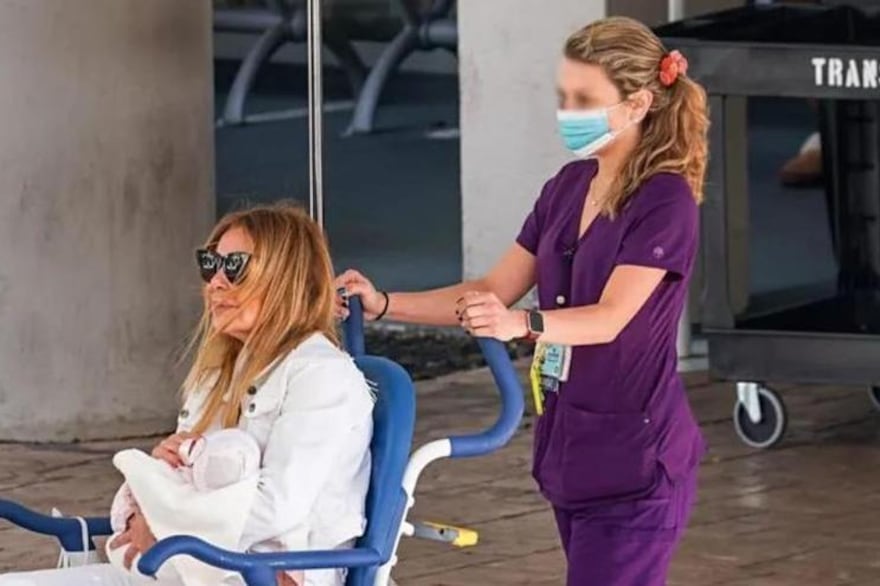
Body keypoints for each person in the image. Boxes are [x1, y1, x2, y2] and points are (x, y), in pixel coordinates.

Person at [336, 16, 708, 586]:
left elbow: (610, 318)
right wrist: (385, 303)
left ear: (636, 105)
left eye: (585, 99)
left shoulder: (666, 201)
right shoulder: (568, 186)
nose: (568, 111)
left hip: (637, 461)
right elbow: (488, 291)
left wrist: (521, 323)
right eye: (564, 96)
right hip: (574, 453)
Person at [1, 203, 375, 586]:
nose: (215, 282)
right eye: (210, 265)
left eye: (235, 267)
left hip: (265, 575)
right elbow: (154, 487)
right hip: (185, 567)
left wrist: (165, 527)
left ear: (287, 279)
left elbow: (277, 509)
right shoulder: (216, 375)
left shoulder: (321, 375)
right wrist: (147, 500)